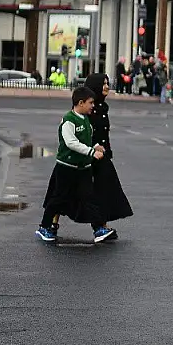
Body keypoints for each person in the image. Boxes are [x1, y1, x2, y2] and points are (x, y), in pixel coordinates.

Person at [37, 87, 114, 244]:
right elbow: (71, 143)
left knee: (90, 198)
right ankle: (44, 227)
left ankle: (99, 229)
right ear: (81, 103)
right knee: (58, 198)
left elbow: (86, 140)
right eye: (90, 102)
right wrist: (92, 153)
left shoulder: (86, 119)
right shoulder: (69, 120)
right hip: (67, 167)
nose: (93, 105)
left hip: (83, 168)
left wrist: (96, 146)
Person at [82, 72, 133, 234]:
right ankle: (49, 224)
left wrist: (107, 151)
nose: (106, 87)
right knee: (84, 192)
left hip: (103, 156)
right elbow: (84, 134)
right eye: (103, 84)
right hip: (90, 155)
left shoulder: (103, 107)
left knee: (105, 190)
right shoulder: (88, 109)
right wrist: (93, 149)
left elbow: (105, 133)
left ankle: (100, 225)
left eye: (107, 83)